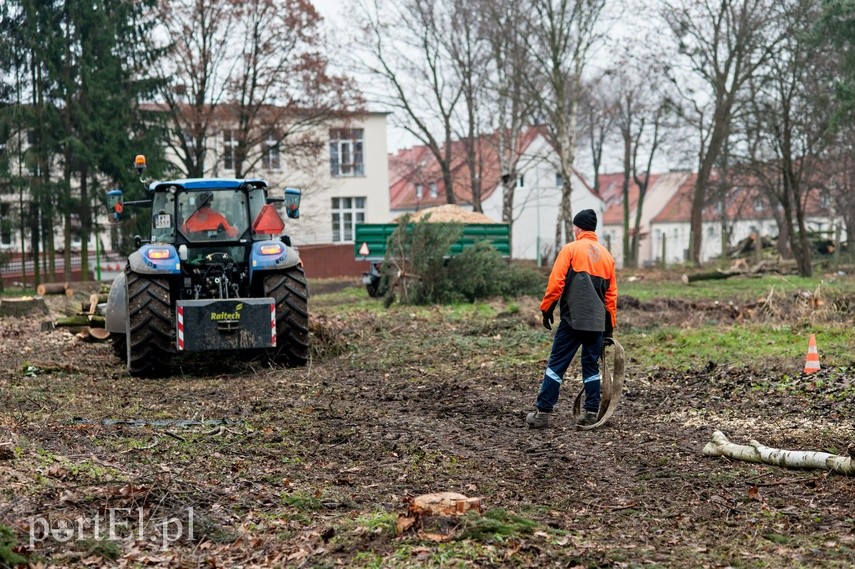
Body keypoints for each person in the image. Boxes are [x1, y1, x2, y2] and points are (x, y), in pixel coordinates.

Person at [526, 208, 617, 429]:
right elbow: (611, 297)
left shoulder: (571, 249)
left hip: (573, 319)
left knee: (557, 364)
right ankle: (591, 413)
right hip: (596, 324)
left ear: (579, 227)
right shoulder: (607, 257)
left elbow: (556, 283)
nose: (573, 229)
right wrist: (609, 329)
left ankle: (543, 413)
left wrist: (547, 309)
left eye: (574, 226)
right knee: (591, 367)